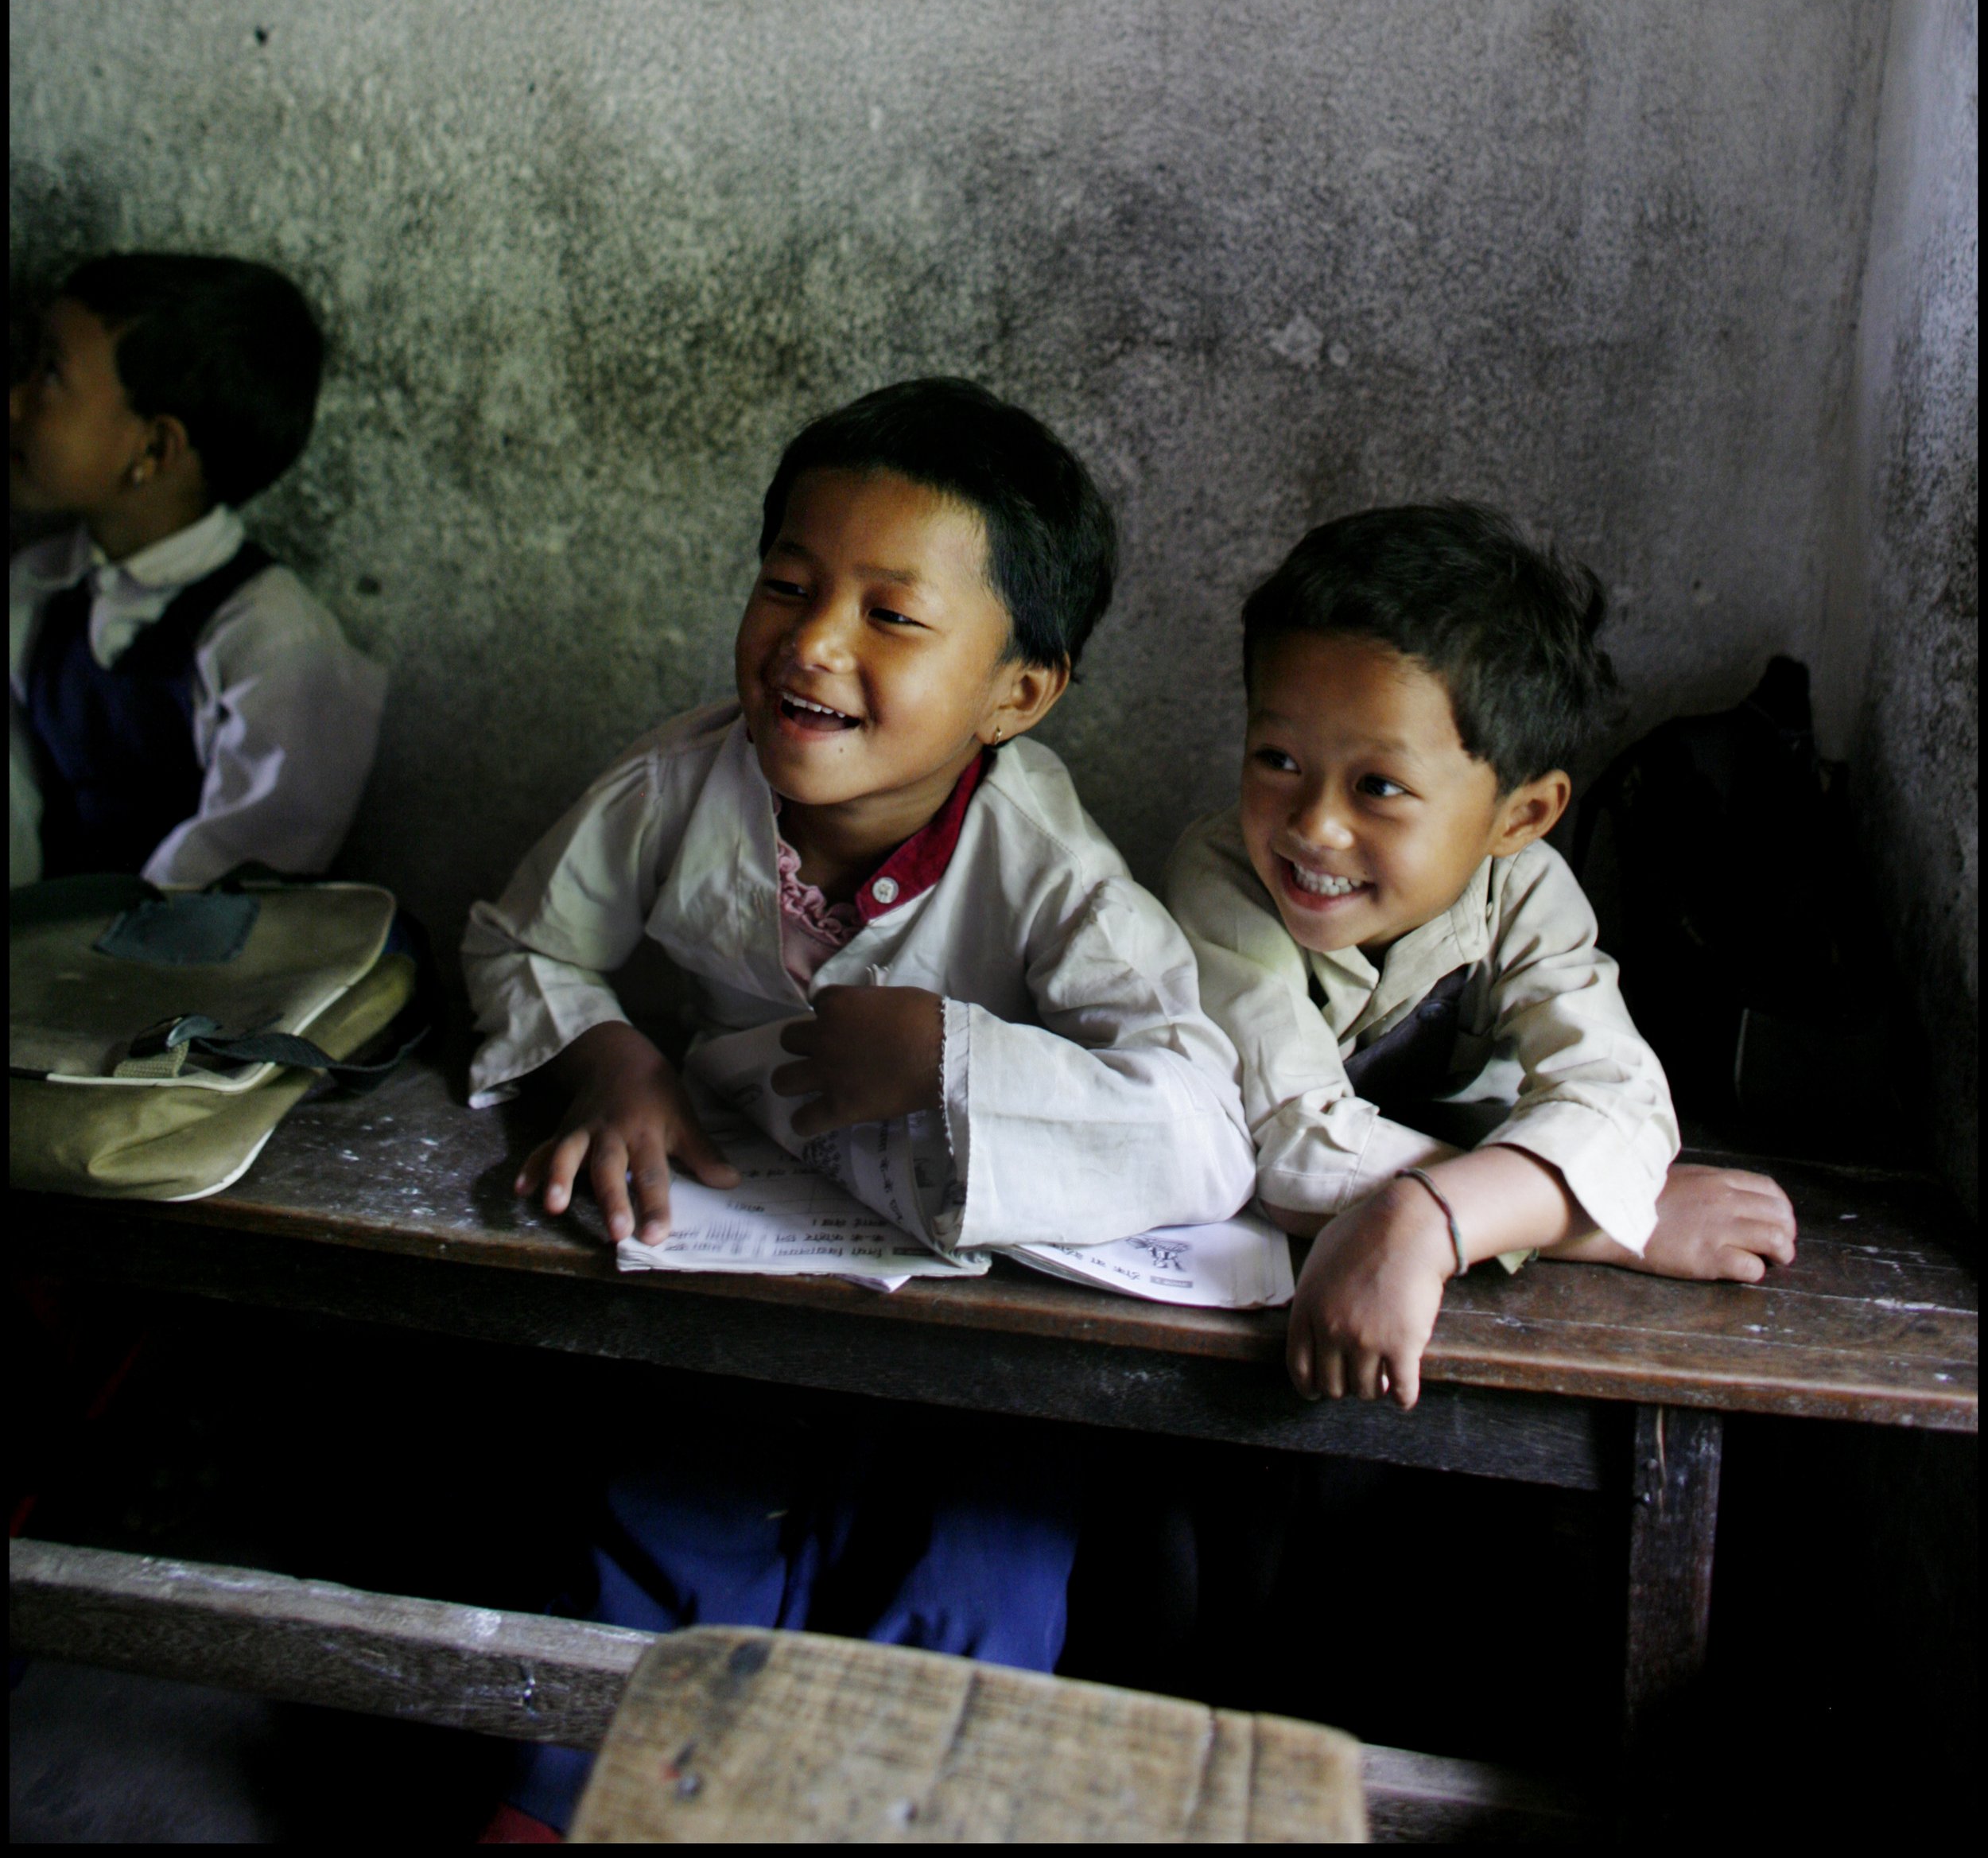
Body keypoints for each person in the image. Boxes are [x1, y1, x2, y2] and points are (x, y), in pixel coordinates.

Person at [463, 377, 1253, 1840]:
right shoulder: (674, 785)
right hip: (750, 1279)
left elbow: (1203, 1125)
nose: (812, 643)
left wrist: (954, 1058)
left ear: (1018, 694)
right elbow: (522, 943)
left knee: (975, 1585)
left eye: (892, 614)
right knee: (668, 1531)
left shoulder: (1048, 865)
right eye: (788, 584)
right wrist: (610, 1056)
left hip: (990, 1336)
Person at [1164, 503, 1796, 1411]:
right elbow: (1294, 1151)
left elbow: (1621, 1099)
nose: (1315, 825)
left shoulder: (1524, 891)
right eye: (1277, 758)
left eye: (1379, 785)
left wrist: (1426, 1215)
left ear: (1521, 816)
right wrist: (1608, 1220)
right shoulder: (1221, 877)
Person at [10, 254, 385, 890]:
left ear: (155, 449)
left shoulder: (273, 640)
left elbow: (243, 872)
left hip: (201, 946)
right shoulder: (37, 588)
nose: (14, 401)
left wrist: (105, 944)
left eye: (50, 374)